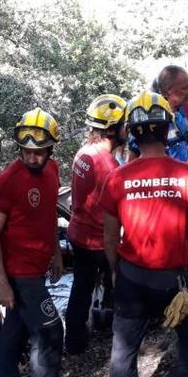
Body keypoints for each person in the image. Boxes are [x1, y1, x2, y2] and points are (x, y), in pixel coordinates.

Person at [100, 91, 188, 377]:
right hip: (171, 279)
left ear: (133, 133)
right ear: (168, 130)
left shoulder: (118, 178)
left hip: (132, 277)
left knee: (123, 351)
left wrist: (116, 271)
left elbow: (109, 237)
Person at [0, 108, 70, 377]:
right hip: (19, 272)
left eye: (39, 153)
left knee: (15, 326)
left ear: (50, 149)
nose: (33, 158)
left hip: (37, 265)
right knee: (49, 331)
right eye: (27, 152)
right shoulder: (6, 181)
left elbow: (48, 213)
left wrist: (56, 253)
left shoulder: (53, 171)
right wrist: (2, 282)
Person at [65, 94, 127, 355]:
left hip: (78, 234)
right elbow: (120, 210)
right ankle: (116, 331)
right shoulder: (109, 165)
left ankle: (75, 343)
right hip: (98, 240)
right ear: (113, 128)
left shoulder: (84, 152)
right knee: (119, 280)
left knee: (81, 288)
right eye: (125, 124)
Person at [127, 66, 188, 163]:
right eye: (184, 88)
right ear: (169, 90)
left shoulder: (180, 115)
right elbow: (132, 162)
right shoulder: (146, 122)